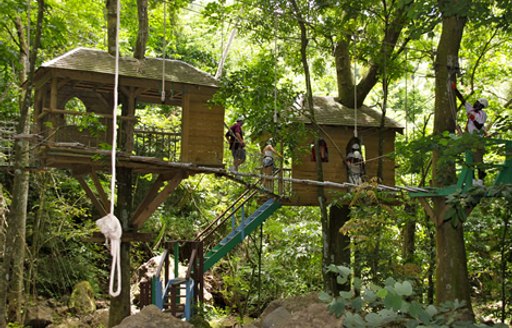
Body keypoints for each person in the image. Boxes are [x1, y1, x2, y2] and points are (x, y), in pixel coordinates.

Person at [452, 83, 488, 185]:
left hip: (477, 139)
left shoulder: (482, 114)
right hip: (469, 139)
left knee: (478, 161)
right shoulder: (470, 108)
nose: (475, 104)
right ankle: (472, 180)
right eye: (476, 102)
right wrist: (455, 90)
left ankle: (480, 181)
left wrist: (472, 118)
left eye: (478, 104)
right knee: (469, 160)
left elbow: (480, 126)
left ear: (482, 107)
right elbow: (462, 100)